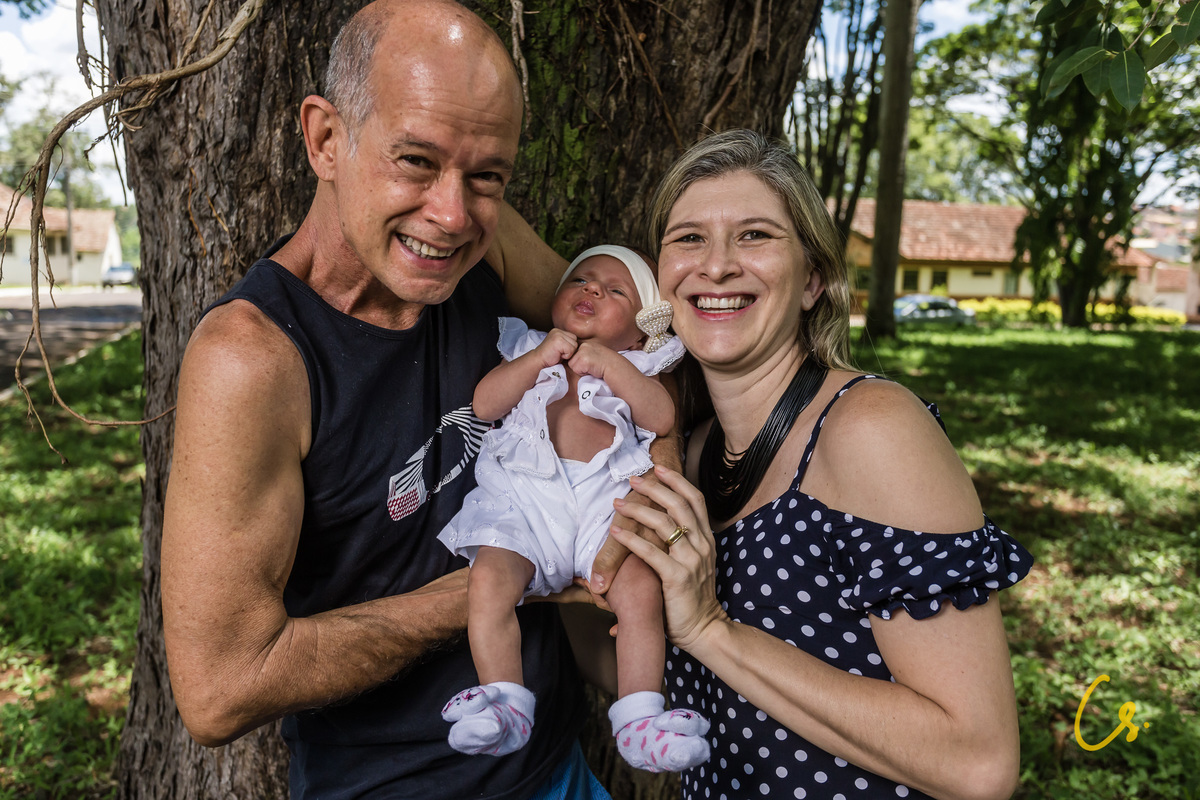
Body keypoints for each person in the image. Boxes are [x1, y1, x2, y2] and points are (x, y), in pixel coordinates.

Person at [159, 2, 664, 797]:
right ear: (327, 139)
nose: (453, 214)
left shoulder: (480, 248)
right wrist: (508, 576)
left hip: (560, 768)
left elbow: (634, 348)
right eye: (415, 162)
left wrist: (647, 487)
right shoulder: (254, 362)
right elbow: (219, 691)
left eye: (487, 175)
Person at [593, 129, 1033, 800]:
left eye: (755, 236)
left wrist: (713, 629)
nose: (715, 266)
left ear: (814, 279)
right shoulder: (689, 451)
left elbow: (978, 764)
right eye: (688, 238)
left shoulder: (870, 428)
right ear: (661, 283)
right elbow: (664, 679)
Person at [437, 245, 710, 773]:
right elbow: (485, 405)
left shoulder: (637, 362)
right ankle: (505, 699)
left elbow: (660, 417)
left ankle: (638, 717)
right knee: (489, 582)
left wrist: (612, 366)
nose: (591, 290)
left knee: (640, 590)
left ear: (638, 330)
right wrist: (537, 360)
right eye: (581, 280)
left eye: (614, 291)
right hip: (526, 509)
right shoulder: (527, 345)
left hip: (601, 510)